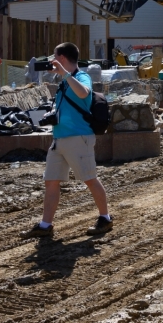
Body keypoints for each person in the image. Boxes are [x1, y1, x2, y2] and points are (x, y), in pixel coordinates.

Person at [20, 42, 113, 238]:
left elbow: (83, 93)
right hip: (59, 138)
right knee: (51, 181)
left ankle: (105, 218)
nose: (51, 61)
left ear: (62, 58)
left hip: (78, 137)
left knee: (89, 178)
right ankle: (45, 225)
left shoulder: (81, 76)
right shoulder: (63, 81)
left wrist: (64, 73)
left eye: (54, 56)